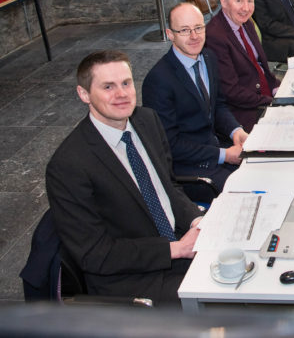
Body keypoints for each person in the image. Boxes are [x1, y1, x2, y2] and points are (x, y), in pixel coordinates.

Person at [46, 50, 203, 305]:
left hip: (179, 242)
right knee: (227, 309)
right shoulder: (68, 165)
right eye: (108, 87)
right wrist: (174, 250)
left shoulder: (147, 120)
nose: (121, 94)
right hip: (134, 279)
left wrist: (196, 220)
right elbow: (94, 254)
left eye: (126, 83)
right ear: (84, 94)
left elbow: (168, 187)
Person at [142, 3, 248, 191]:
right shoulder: (158, 80)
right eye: (184, 30)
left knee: (267, 169)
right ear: (170, 34)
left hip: (216, 147)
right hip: (191, 169)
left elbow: (218, 106)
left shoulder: (208, 58)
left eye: (198, 28)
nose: (194, 36)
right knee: (248, 189)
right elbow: (170, 144)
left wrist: (235, 130)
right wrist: (223, 155)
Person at [205, 0, 280, 132]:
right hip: (245, 110)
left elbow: (260, 65)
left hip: (264, 94)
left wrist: (276, 88)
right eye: (239, 1)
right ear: (224, 2)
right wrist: (271, 101)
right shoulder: (215, 36)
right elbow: (230, 92)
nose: (246, 8)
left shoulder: (246, 22)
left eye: (250, 1)